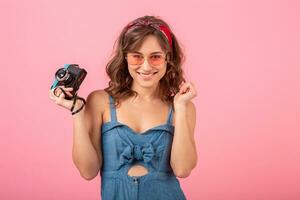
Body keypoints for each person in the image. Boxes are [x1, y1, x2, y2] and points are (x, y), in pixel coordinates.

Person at [49, 15, 197, 200]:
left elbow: (183, 169)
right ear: (125, 57)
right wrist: (77, 111)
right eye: (136, 56)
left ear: (168, 58)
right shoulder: (100, 101)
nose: (146, 66)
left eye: (156, 57)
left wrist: (181, 107)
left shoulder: (181, 107)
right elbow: (88, 171)